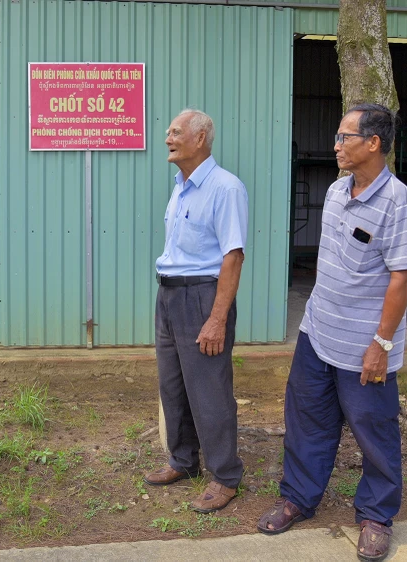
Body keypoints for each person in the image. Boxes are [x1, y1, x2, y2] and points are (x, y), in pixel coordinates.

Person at [256, 103, 407, 562]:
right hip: (317, 334)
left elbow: (401, 279)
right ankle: (299, 498)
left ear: (373, 143)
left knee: (374, 432)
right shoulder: (334, 192)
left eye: (345, 137)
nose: (336, 145)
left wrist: (381, 345)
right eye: (337, 136)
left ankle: (375, 516)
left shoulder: (398, 202)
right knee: (307, 422)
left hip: (365, 348)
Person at [144, 109, 248, 513]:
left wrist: (217, 317)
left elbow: (233, 257)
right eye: (168, 131)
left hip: (203, 298)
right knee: (173, 386)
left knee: (209, 390)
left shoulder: (225, 188)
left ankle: (225, 476)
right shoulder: (180, 186)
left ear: (200, 138)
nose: (167, 137)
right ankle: (183, 461)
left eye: (175, 132)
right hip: (169, 297)